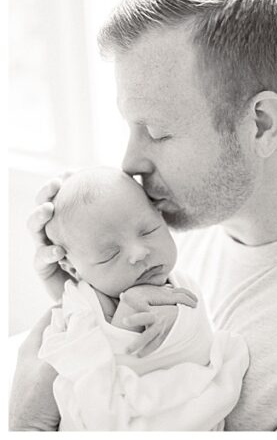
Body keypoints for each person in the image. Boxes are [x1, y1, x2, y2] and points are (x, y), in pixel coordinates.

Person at [12, 0, 277, 431]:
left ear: (260, 124)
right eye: (130, 128)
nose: (130, 162)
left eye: (157, 132)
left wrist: (26, 425)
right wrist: (84, 297)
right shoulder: (167, 227)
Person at [38, 167, 249, 431]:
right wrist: (127, 317)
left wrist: (180, 322)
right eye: (109, 254)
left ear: (161, 216)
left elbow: (201, 341)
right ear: (72, 269)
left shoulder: (183, 283)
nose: (138, 252)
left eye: (148, 231)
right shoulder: (81, 308)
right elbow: (89, 384)